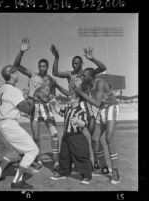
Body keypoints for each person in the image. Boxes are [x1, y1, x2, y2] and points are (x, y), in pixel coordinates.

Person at [50, 45, 110, 175]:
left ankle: (102, 165)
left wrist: (92, 58)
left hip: (87, 107)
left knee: (95, 137)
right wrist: (57, 57)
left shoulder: (86, 74)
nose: (74, 66)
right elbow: (55, 73)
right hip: (73, 107)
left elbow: (103, 68)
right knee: (72, 136)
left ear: (81, 63)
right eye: (73, 64)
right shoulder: (69, 75)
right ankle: (74, 164)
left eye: (77, 63)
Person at [14, 38, 69, 173]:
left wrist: (56, 105)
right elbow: (17, 66)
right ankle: (38, 160)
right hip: (34, 109)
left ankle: (55, 162)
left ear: (47, 67)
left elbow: (54, 96)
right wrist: (22, 51)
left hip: (47, 109)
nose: (41, 68)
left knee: (55, 134)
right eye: (40, 66)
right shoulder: (33, 75)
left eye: (43, 66)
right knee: (36, 137)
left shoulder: (51, 80)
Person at [0, 64, 39, 189]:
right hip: (8, 124)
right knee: (33, 150)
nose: (17, 74)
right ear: (11, 74)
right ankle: (17, 181)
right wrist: (32, 93)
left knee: (12, 152)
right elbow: (28, 109)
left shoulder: (1, 88)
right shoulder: (13, 90)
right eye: (16, 72)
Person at [73, 67, 120, 184]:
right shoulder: (89, 85)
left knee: (109, 139)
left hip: (111, 108)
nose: (83, 77)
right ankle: (102, 168)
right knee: (94, 139)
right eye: (83, 75)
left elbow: (97, 103)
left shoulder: (100, 83)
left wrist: (81, 93)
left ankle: (116, 172)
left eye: (85, 75)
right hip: (102, 111)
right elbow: (97, 104)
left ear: (91, 76)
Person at [50, 92, 92, 184]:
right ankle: (63, 172)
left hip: (76, 137)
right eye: (68, 96)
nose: (69, 98)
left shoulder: (81, 111)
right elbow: (59, 111)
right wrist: (53, 104)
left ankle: (86, 176)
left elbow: (84, 123)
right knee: (64, 155)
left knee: (81, 155)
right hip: (66, 136)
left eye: (71, 97)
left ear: (77, 99)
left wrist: (78, 121)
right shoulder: (68, 109)